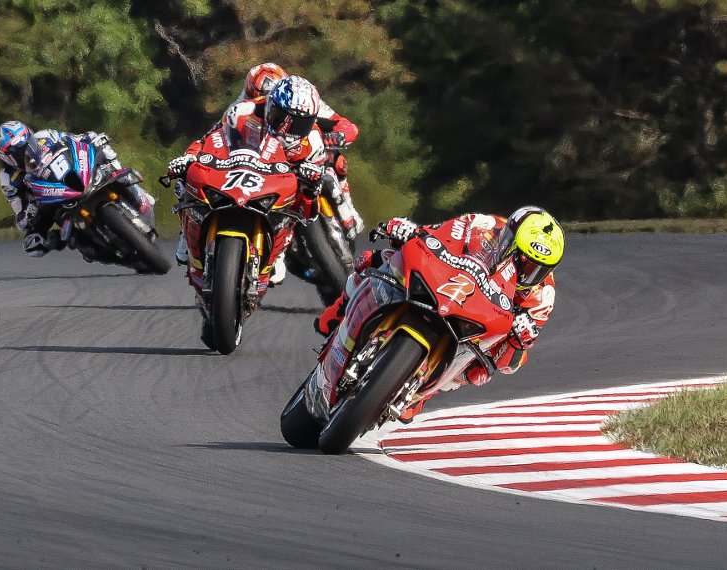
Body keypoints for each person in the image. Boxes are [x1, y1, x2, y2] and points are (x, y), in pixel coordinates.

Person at [314, 206, 564, 423]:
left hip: (481, 318)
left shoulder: (542, 296)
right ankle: (339, 310)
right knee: (376, 258)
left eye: (535, 268)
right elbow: (438, 233)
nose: (524, 271)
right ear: (509, 238)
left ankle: (425, 390)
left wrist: (522, 336)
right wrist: (409, 230)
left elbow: (516, 356)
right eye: (521, 259)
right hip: (446, 282)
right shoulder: (483, 225)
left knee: (493, 367)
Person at [168, 75, 334, 283]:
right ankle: (186, 233)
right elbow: (208, 140)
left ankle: (279, 250)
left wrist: (312, 183)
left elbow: (309, 213)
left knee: (306, 195)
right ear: (269, 106)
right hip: (238, 170)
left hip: (277, 184)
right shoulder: (243, 112)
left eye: (297, 124)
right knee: (185, 177)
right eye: (281, 118)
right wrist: (189, 158)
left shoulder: (313, 142)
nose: (286, 130)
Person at [233, 63, 364, 238]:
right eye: (258, 96)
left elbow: (347, 126)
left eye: (270, 95)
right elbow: (222, 137)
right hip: (264, 166)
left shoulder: (304, 101)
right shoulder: (243, 109)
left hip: (304, 152)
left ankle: (348, 207)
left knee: (338, 162)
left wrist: (340, 135)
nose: (264, 101)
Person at [0, 120, 154, 259]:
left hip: (74, 176)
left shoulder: (46, 136)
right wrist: (28, 213)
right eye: (18, 152)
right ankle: (91, 245)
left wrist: (92, 138)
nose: (24, 152)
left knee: (106, 154)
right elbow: (20, 218)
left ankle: (137, 195)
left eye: (26, 144)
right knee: (37, 241)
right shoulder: (8, 178)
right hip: (50, 202)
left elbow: (73, 140)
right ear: (6, 157)